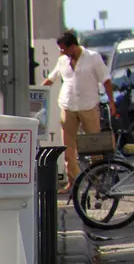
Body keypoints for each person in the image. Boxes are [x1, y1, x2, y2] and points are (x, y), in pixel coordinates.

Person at [42, 32, 117, 192]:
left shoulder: (93, 57)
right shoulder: (62, 60)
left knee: (94, 146)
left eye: (63, 49)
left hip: (88, 106)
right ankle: (73, 182)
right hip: (67, 106)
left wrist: (111, 101)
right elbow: (52, 78)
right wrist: (37, 93)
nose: (62, 52)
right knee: (68, 147)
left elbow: (106, 79)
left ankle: (98, 181)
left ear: (73, 47)